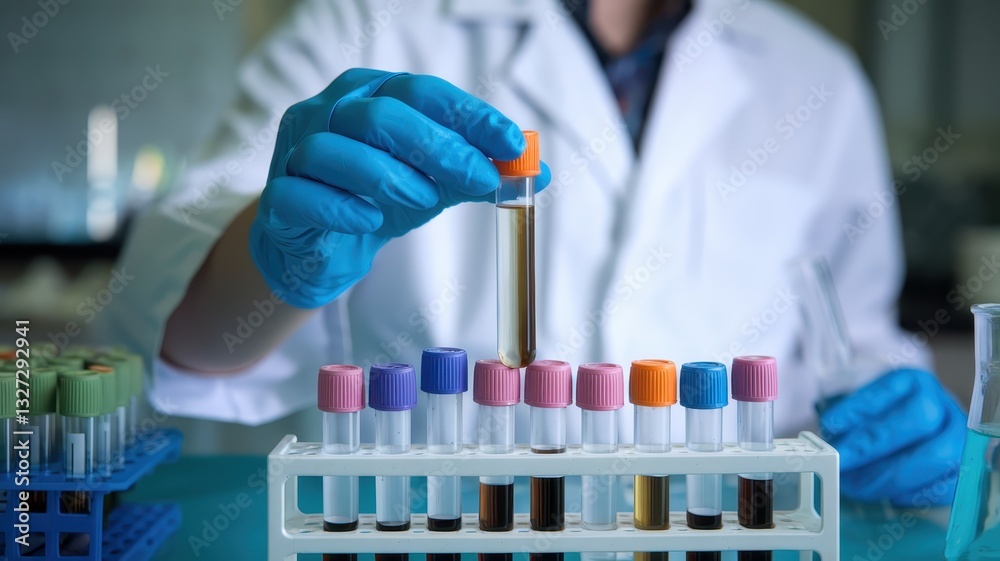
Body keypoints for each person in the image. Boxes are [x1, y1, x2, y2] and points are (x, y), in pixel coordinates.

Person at [104, 0, 964, 507]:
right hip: (421, 528)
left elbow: (849, 339)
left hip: (714, 531)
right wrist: (273, 265)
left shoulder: (816, 79)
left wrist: (896, 421)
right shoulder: (366, 22)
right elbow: (173, 329)